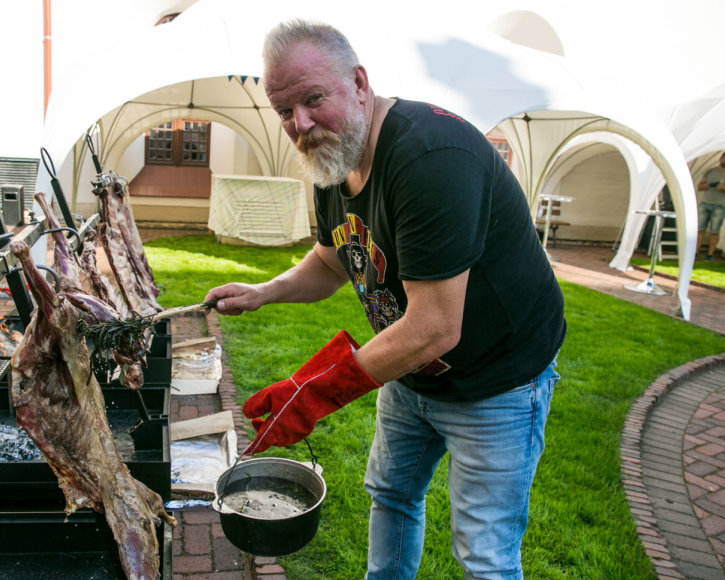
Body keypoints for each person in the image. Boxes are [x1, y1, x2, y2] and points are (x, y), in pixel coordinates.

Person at [205, 19, 566, 580]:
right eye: (284, 111)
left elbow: (435, 327)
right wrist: (262, 293)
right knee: (392, 496)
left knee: (484, 552)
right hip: (410, 372)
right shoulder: (334, 156)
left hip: (498, 379)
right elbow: (330, 261)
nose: (299, 124)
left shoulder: (430, 155)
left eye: (313, 99)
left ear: (359, 81)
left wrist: (314, 393)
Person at [696, 151, 725, 261]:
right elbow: (699, 187)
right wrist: (706, 186)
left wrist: (723, 188)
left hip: (720, 206)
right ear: (720, 158)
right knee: (700, 229)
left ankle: (710, 254)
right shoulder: (710, 171)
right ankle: (695, 252)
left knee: (714, 231)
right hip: (705, 203)